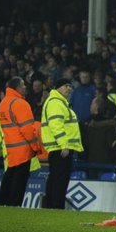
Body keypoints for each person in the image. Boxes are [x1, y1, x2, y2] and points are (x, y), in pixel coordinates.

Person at [0, 76, 42, 206]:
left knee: (9, 176)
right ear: (16, 87)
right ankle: (14, 205)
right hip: (23, 149)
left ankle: (2, 203)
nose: (25, 87)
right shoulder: (21, 104)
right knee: (19, 180)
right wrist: (35, 147)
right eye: (23, 85)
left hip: (10, 149)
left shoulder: (3, 104)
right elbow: (27, 130)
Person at [41, 78, 84, 209]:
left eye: (71, 86)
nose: (69, 88)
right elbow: (56, 126)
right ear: (58, 87)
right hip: (60, 148)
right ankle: (56, 206)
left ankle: (51, 206)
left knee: (55, 178)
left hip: (58, 147)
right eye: (66, 86)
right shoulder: (56, 103)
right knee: (60, 180)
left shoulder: (60, 102)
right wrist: (64, 145)